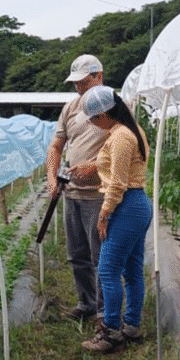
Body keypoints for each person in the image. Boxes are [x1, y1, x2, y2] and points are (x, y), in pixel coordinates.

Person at [75, 85, 152, 353]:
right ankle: (131, 324)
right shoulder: (131, 131)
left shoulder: (120, 137)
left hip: (126, 205)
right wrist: (93, 165)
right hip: (137, 204)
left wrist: (104, 215)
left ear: (106, 113)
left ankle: (110, 332)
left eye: (95, 119)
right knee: (132, 269)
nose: (95, 125)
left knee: (108, 270)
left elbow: (118, 183)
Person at [46, 54, 109, 322]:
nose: (78, 88)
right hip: (72, 193)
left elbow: (123, 144)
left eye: (83, 82)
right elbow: (56, 146)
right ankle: (86, 303)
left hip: (99, 195)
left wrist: (94, 166)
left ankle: (106, 310)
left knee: (101, 256)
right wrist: (51, 176)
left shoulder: (113, 106)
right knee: (77, 255)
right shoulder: (70, 109)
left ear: (98, 77)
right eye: (76, 84)